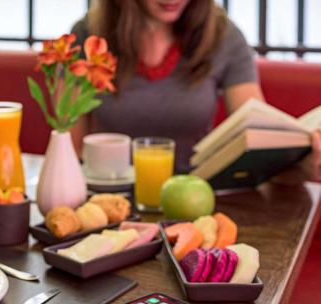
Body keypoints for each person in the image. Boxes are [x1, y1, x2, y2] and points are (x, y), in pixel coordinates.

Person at [70, 0, 321, 177]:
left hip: (196, 193)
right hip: (108, 192)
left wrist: (300, 163)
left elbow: (257, 130)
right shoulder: (87, 35)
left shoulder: (224, 35)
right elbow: (68, 144)